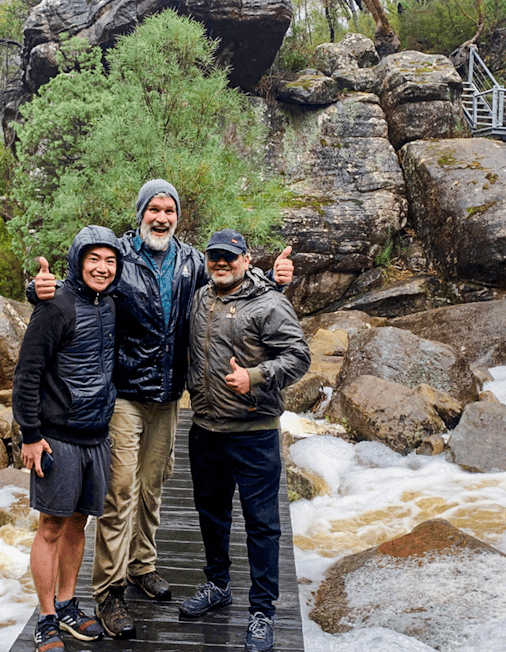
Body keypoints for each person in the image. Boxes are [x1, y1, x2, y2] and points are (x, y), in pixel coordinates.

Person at [33, 180, 294, 639]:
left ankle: (143, 564)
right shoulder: (119, 256)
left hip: (171, 397)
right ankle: (110, 590)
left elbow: (233, 286)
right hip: (126, 395)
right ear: (140, 214)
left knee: (153, 486)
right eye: (153, 209)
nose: (161, 217)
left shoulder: (193, 261)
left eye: (169, 209)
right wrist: (37, 291)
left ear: (178, 216)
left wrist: (277, 281)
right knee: (119, 493)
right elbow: (80, 283)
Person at [178, 228, 310, 652]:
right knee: (212, 516)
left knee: (263, 526)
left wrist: (253, 377)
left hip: (254, 434)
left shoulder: (270, 302)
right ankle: (217, 586)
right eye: (215, 256)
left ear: (246, 259)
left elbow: (298, 356)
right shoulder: (199, 298)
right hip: (205, 431)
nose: (221, 263)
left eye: (229, 257)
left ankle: (262, 612)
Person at [13, 225, 122, 652]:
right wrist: (30, 435)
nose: (102, 267)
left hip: (96, 434)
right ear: (78, 261)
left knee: (80, 522)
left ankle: (68, 605)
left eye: (110, 260)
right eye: (93, 258)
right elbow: (27, 373)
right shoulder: (55, 306)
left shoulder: (112, 303)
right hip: (57, 436)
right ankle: (46, 619)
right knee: (52, 525)